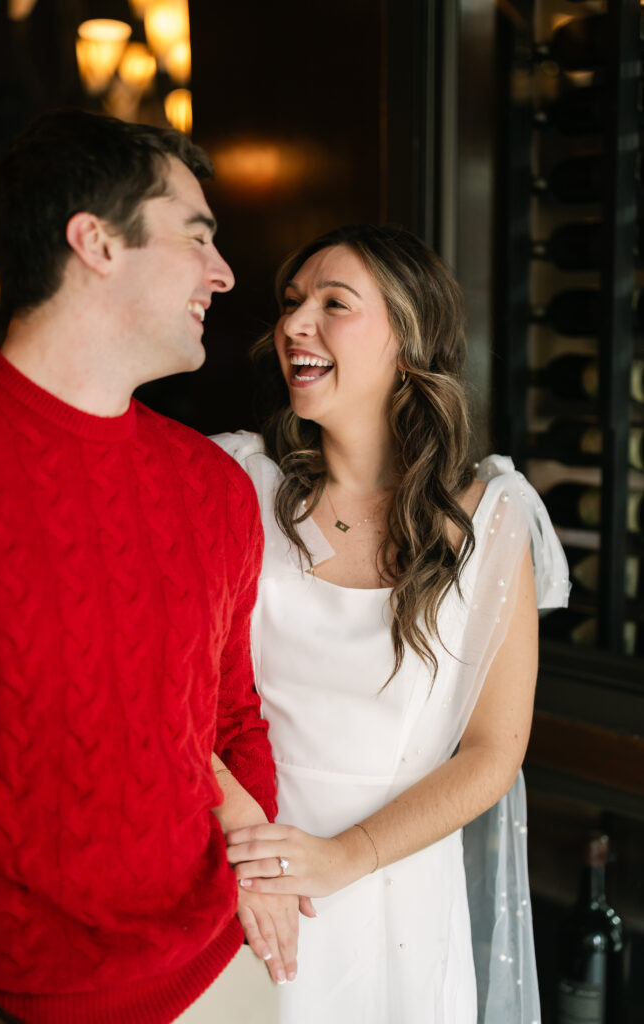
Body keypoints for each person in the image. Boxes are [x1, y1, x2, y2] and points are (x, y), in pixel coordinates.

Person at [0, 109, 299, 1024]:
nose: (224, 273)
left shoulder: (211, 488)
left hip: (217, 976)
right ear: (96, 242)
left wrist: (254, 872)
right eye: (198, 236)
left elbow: (232, 719)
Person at [213, 223, 570, 1024]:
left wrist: (346, 858)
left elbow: (492, 752)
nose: (294, 324)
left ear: (409, 340)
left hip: (395, 881)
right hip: (244, 871)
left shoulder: (493, 519)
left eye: (333, 304)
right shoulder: (234, 482)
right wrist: (243, 837)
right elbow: (162, 689)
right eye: (292, 302)